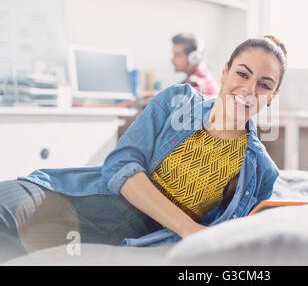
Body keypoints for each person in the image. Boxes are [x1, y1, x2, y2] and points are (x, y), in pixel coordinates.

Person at [0, 35, 288, 263]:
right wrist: (188, 229)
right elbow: (120, 166)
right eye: (242, 74)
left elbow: (235, 235)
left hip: (126, 232)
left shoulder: (260, 170)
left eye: (264, 85)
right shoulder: (178, 99)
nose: (249, 91)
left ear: (273, 96)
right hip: (79, 193)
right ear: (225, 72)